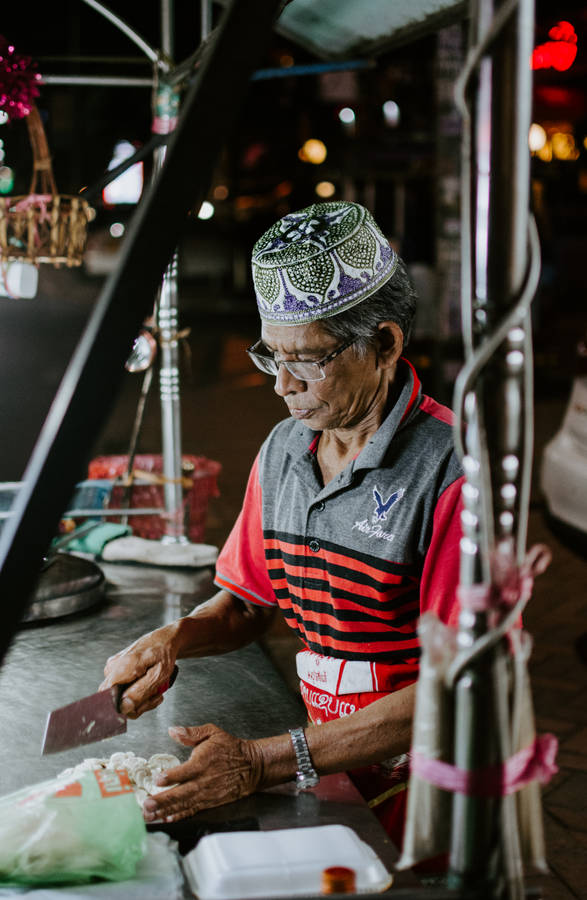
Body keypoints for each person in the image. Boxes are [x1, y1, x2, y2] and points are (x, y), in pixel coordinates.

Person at [100, 201, 463, 847]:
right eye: (272, 356)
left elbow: (460, 686)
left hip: (437, 787)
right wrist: (172, 639)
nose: (282, 385)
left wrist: (262, 760)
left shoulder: (454, 472)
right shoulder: (283, 449)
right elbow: (248, 602)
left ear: (383, 343)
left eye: (308, 359)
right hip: (333, 759)